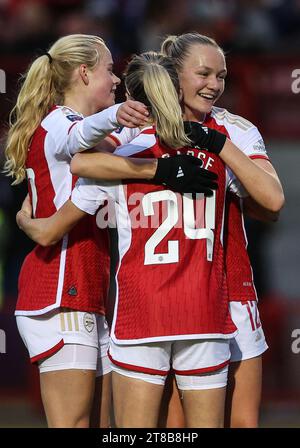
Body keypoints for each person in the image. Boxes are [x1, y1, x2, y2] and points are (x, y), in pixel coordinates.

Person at [17, 50, 284, 428]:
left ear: (134, 101)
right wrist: (213, 146)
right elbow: (272, 202)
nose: (214, 84)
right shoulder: (219, 148)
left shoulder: (119, 159)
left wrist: (24, 218)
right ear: (176, 88)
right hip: (205, 312)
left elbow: (72, 178)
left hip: (140, 317)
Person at [4, 34, 214, 428]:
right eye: (108, 70)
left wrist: (152, 113)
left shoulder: (93, 137)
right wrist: (116, 115)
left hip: (87, 290)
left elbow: (115, 147)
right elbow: (78, 145)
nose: (117, 80)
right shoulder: (61, 122)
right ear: (83, 73)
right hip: (60, 290)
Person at [157, 32, 284, 428]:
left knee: (242, 422)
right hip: (159, 292)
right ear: (173, 76)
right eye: (204, 74)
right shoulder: (138, 128)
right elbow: (86, 166)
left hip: (230, 288)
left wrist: (216, 144)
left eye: (222, 76)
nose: (214, 85)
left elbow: (272, 203)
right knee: (172, 425)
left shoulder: (236, 129)